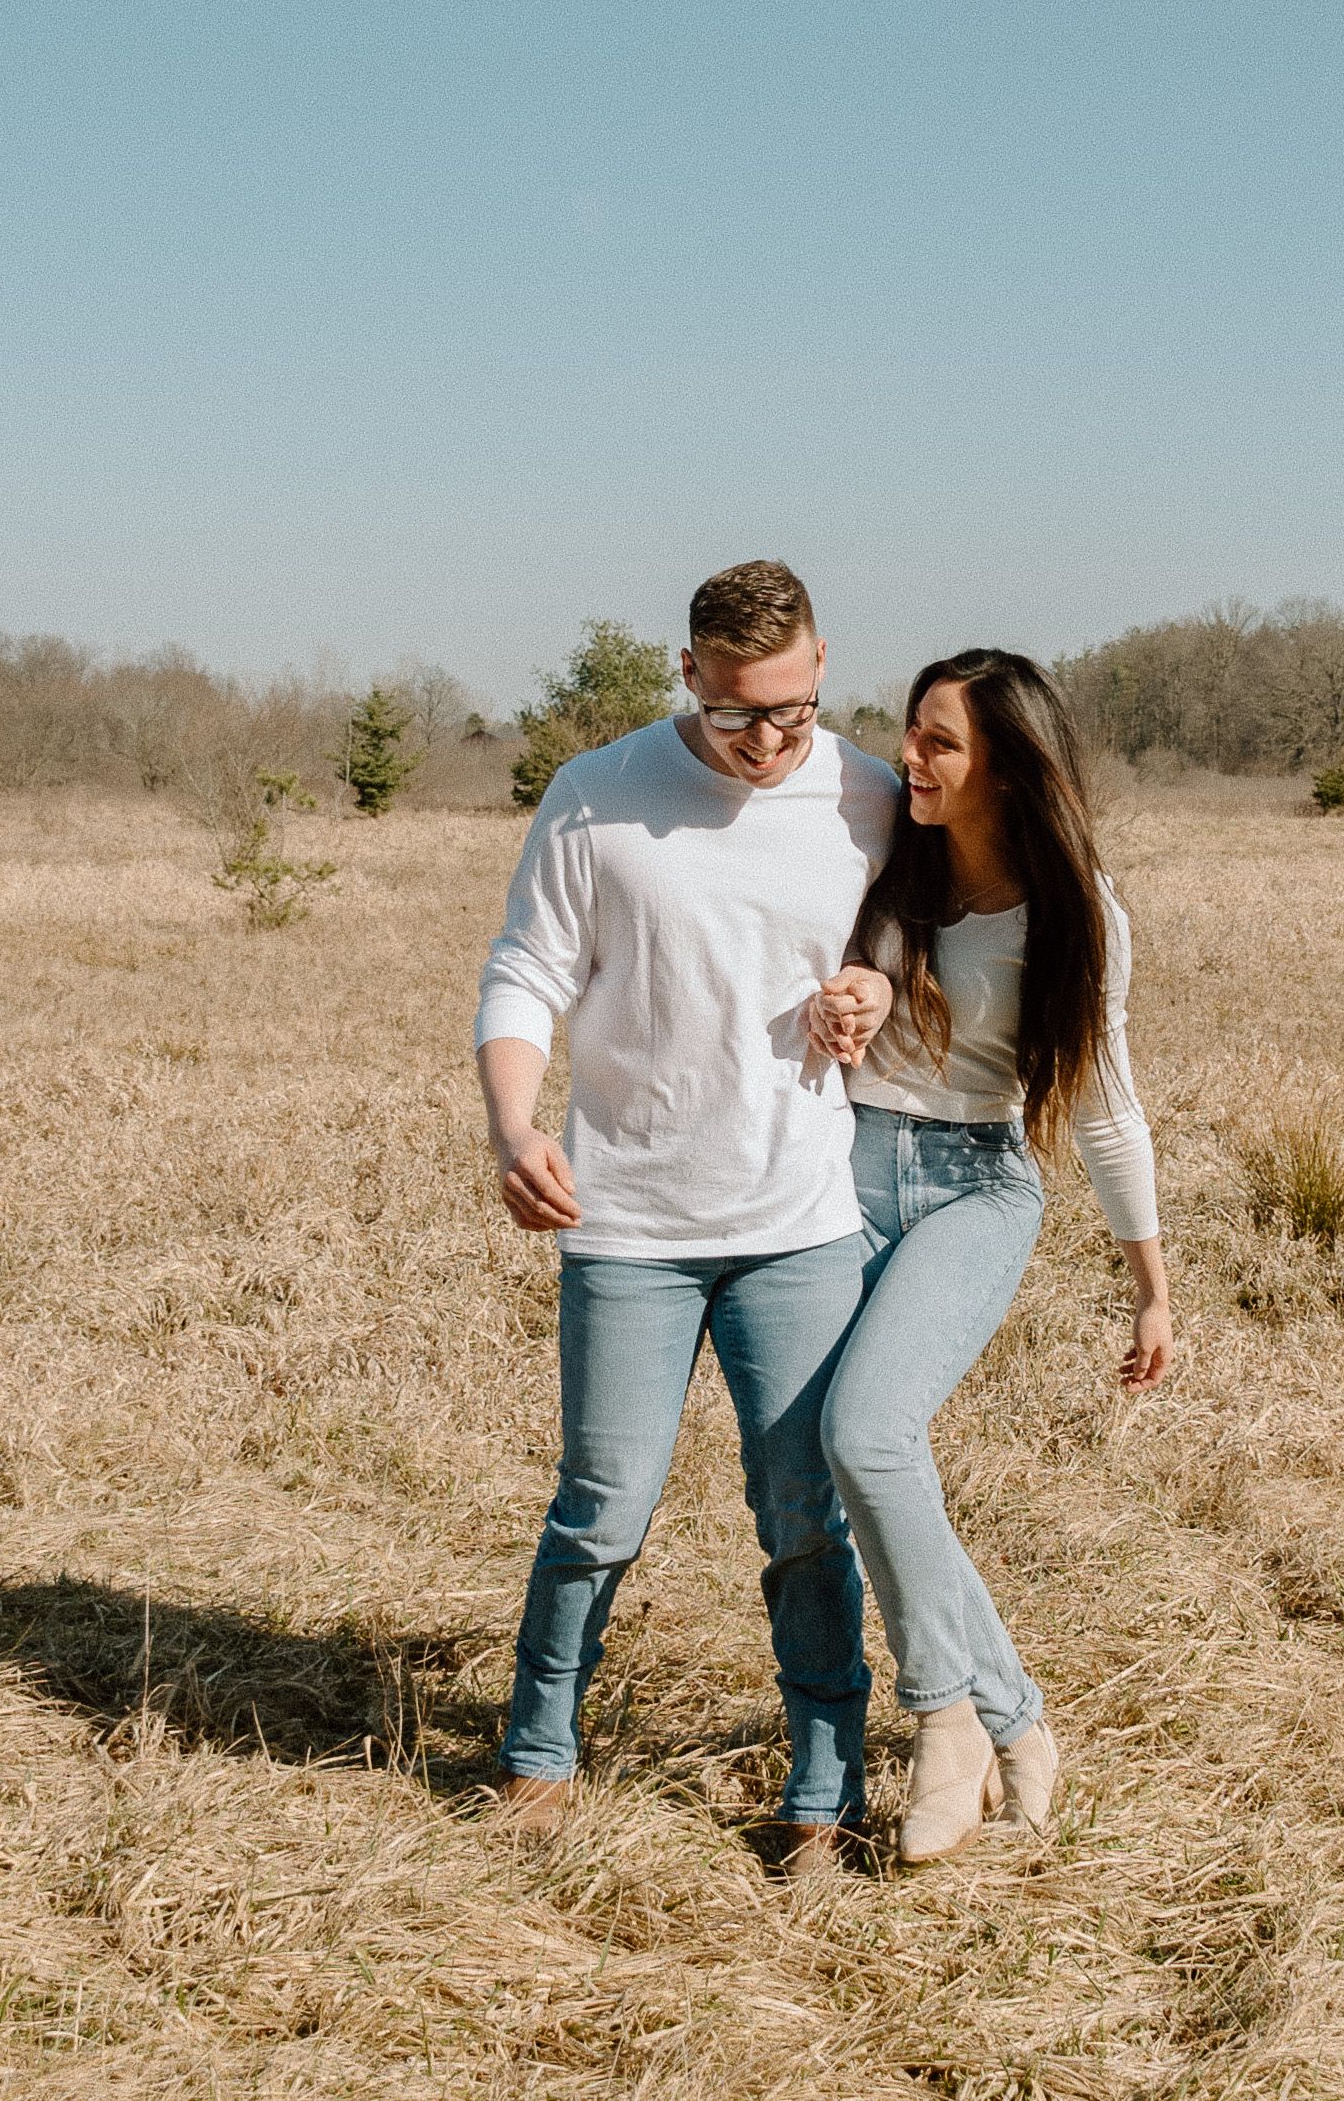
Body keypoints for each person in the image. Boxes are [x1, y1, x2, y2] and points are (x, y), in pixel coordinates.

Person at [477, 561, 898, 1865]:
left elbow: (912, 958)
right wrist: (512, 1124)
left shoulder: (871, 794)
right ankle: (537, 1754)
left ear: (820, 661)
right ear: (689, 675)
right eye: (736, 718)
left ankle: (824, 1787)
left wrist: (872, 995)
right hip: (629, 1224)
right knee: (601, 1506)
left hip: (803, 1215)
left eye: (790, 710)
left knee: (804, 1515)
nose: (767, 744)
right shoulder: (597, 794)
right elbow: (523, 971)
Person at [807, 648, 1171, 1865]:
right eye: (909, 732)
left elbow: (1107, 1101)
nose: (909, 757)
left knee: (867, 1432)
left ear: (1006, 768)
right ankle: (1009, 1713)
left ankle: (942, 1719)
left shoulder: (1080, 910)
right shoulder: (889, 851)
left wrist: (1150, 1284)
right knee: (856, 1467)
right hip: (846, 1165)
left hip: (977, 1183)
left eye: (939, 743)